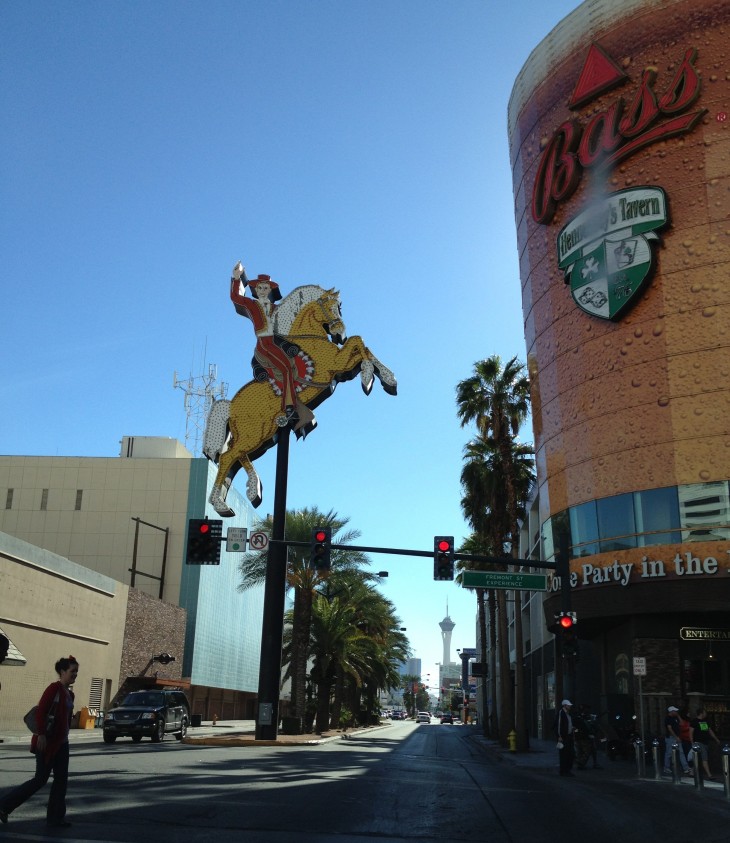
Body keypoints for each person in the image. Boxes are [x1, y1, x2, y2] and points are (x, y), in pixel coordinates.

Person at [230, 262, 314, 430]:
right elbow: (236, 297)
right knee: (286, 369)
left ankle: (292, 402)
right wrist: (236, 277)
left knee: (291, 366)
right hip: (264, 343)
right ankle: (288, 407)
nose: (262, 290)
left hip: (276, 343)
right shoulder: (251, 305)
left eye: (265, 288)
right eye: (259, 288)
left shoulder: (277, 308)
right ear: (256, 290)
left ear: (270, 290)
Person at [0, 655, 79, 828]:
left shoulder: (70, 694)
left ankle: (55, 818)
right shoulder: (53, 689)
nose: (75, 675)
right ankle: (4, 806)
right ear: (62, 672)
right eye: (72, 671)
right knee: (40, 779)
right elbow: (41, 711)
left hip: (62, 744)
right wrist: (41, 734)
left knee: (61, 781)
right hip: (47, 743)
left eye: (77, 672)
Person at [690, 706, 721, 780]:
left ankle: (691, 771)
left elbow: (709, 731)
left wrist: (716, 739)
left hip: (705, 742)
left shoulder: (705, 721)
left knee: (698, 758)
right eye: (705, 712)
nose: (706, 714)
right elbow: (690, 732)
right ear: (701, 713)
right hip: (698, 742)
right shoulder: (694, 721)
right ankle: (709, 774)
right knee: (704, 758)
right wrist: (692, 742)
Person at [662, 705, 691, 775]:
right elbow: (669, 728)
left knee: (681, 752)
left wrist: (678, 716)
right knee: (669, 753)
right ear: (671, 711)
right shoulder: (668, 718)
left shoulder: (675, 718)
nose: (676, 712)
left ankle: (686, 768)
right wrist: (676, 737)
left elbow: (682, 723)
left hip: (677, 737)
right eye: (675, 711)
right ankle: (666, 767)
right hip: (671, 738)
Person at [555, 699, 576, 776]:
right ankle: (564, 771)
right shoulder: (561, 713)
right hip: (564, 737)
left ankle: (567, 770)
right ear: (564, 706)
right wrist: (559, 736)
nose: (570, 706)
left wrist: (572, 729)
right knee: (564, 754)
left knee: (570, 754)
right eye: (568, 705)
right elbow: (559, 725)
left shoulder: (568, 714)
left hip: (569, 736)